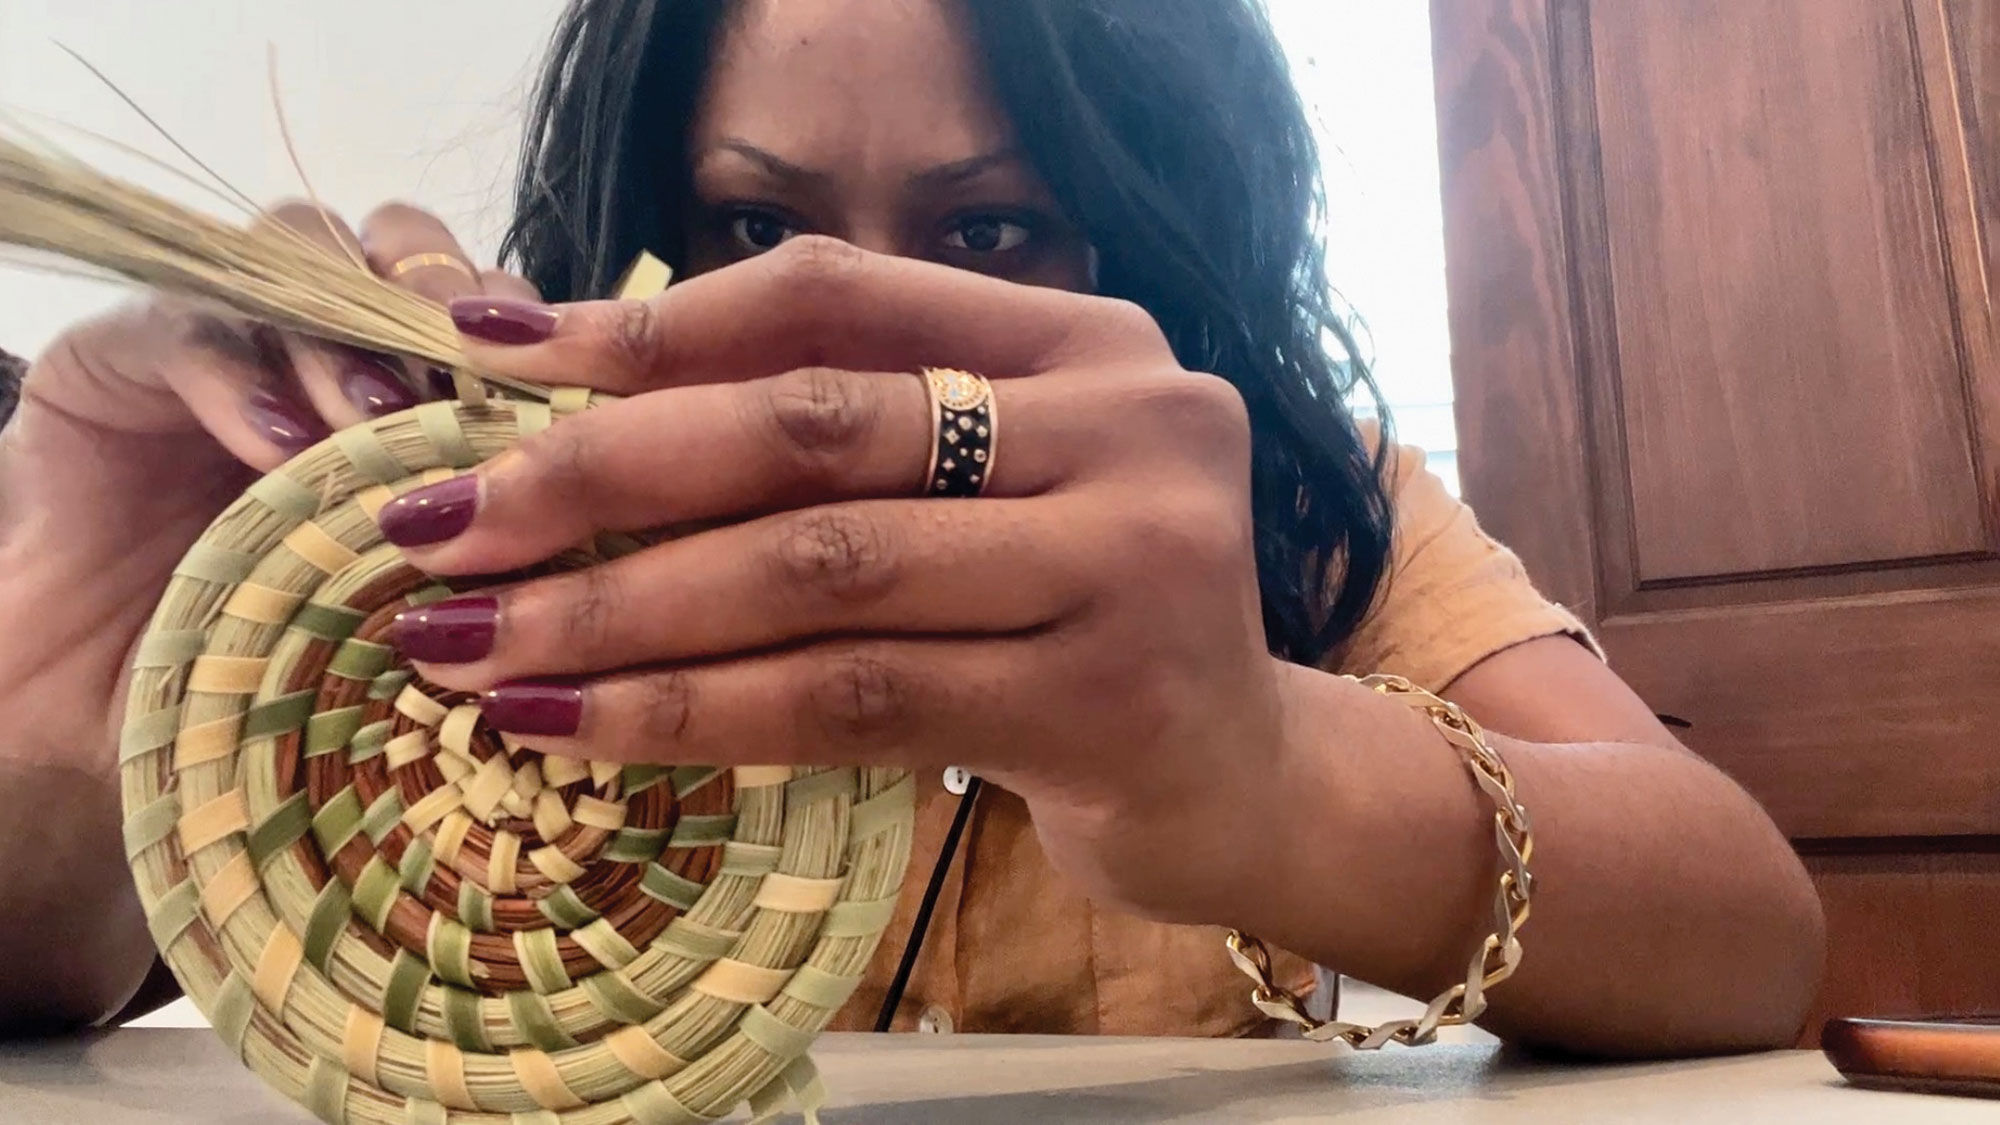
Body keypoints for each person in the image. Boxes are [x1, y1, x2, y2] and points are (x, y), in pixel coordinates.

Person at [0, 0, 1824, 1054]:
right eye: (743, 224)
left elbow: (1751, 926)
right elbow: (59, 970)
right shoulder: (468, 554)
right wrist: (64, 670)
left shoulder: (1285, 503)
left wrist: (1268, 776)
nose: (839, 321)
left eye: (994, 230)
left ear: (1153, 239)